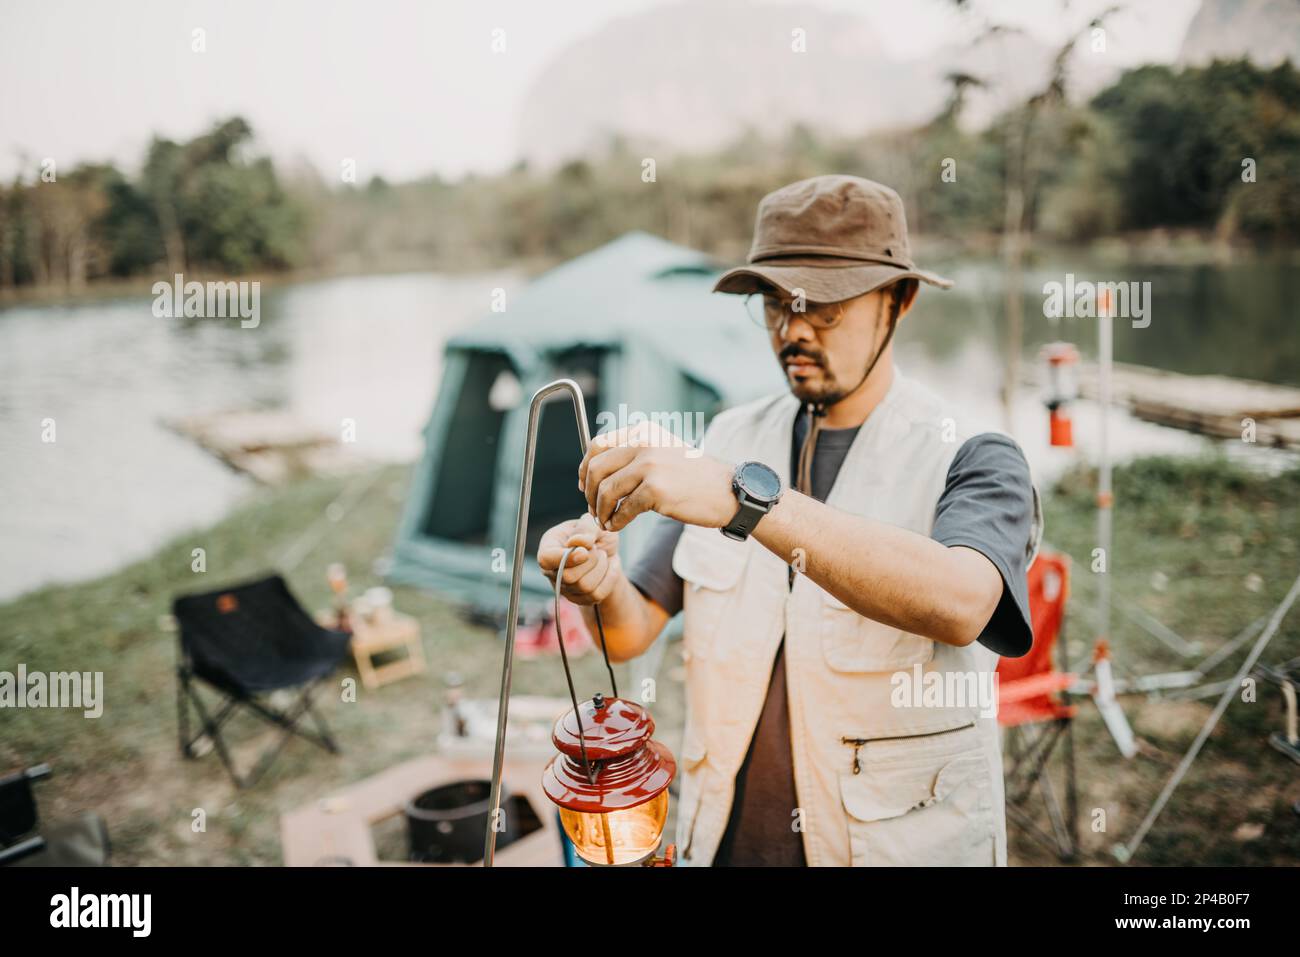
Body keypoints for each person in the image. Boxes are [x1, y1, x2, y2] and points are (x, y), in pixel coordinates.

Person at [537, 175, 1040, 866]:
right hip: (723, 845)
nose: (793, 329)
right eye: (775, 304)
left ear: (901, 300)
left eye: (824, 307)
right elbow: (629, 632)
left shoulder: (971, 452)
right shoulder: (728, 440)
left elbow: (962, 603)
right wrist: (596, 584)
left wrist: (743, 500)